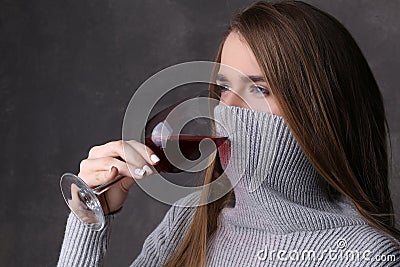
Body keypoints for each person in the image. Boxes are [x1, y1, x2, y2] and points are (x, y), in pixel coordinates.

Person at [58, 1, 400, 266]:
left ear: (318, 110)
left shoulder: (367, 256)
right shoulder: (191, 218)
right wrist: (88, 219)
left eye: (259, 90)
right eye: (223, 87)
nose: (227, 109)